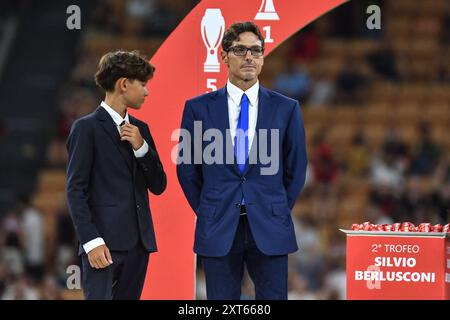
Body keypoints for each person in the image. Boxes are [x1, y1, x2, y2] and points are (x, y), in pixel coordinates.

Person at [177, 22, 307, 300]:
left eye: (256, 51)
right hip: (218, 224)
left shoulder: (287, 108)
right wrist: (209, 208)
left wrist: (275, 206)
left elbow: (296, 170)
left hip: (270, 225)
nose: (249, 57)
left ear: (262, 57)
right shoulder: (198, 108)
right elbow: (187, 169)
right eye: (240, 50)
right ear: (223, 56)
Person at [66, 50, 166, 300]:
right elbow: (75, 190)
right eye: (142, 84)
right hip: (102, 246)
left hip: (140, 246)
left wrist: (142, 148)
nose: (147, 91)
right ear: (123, 84)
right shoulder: (85, 128)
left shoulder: (141, 130)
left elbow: (159, 185)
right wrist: (90, 241)